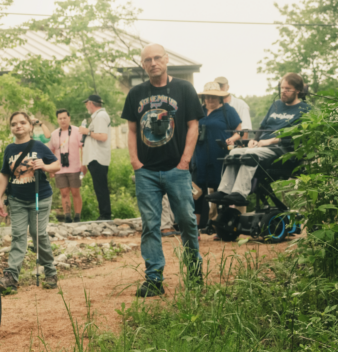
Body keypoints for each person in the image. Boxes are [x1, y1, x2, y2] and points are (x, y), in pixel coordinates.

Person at [121, 43, 203, 297]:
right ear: (143, 65)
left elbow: (193, 126)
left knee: (188, 221)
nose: (153, 63)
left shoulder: (184, 88)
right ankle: (154, 279)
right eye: (148, 60)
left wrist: (185, 161)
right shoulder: (136, 93)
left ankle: (195, 273)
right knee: (150, 225)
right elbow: (133, 130)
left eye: (157, 58)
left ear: (166, 60)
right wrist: (135, 162)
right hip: (146, 172)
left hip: (177, 169)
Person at [206, 73, 310, 207]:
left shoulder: (305, 109)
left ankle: (240, 193)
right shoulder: (276, 104)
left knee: (250, 155)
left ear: (298, 90)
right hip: (262, 145)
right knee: (233, 154)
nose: (283, 92)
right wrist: (254, 140)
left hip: (281, 150)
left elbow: (298, 136)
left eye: (287, 89)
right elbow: (262, 126)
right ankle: (224, 191)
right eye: (282, 88)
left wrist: (271, 141)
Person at [0, 111, 62, 290]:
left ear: (30, 126)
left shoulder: (38, 146)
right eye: (14, 124)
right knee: (18, 236)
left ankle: (50, 272)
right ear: (11, 128)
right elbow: (4, 174)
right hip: (16, 199)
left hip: (40, 198)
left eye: (22, 123)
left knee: (38, 234)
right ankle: (11, 277)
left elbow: (57, 164)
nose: (18, 126)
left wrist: (44, 166)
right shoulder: (9, 149)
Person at [192, 82, 243, 232]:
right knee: (196, 192)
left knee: (222, 191)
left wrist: (232, 139)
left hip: (220, 156)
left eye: (213, 97)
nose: (209, 99)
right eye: (207, 97)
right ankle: (195, 229)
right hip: (199, 158)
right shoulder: (198, 111)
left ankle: (223, 228)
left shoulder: (228, 111)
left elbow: (239, 131)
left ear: (220, 97)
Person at [79, 94, 112, 221]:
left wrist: (86, 131)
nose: (86, 106)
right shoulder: (98, 117)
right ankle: (104, 214)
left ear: (91, 103)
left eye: (86, 104)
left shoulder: (101, 116)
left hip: (98, 157)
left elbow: (103, 137)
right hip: (95, 157)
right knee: (99, 187)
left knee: (101, 187)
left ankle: (105, 215)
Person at [49, 109, 84, 222]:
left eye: (65, 118)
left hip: (74, 167)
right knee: (64, 193)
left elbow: (82, 148)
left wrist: (83, 164)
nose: (62, 120)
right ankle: (67, 216)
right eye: (60, 118)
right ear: (57, 120)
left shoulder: (77, 131)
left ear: (69, 118)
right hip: (59, 169)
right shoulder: (54, 134)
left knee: (75, 192)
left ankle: (77, 216)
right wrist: (51, 168)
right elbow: (51, 151)